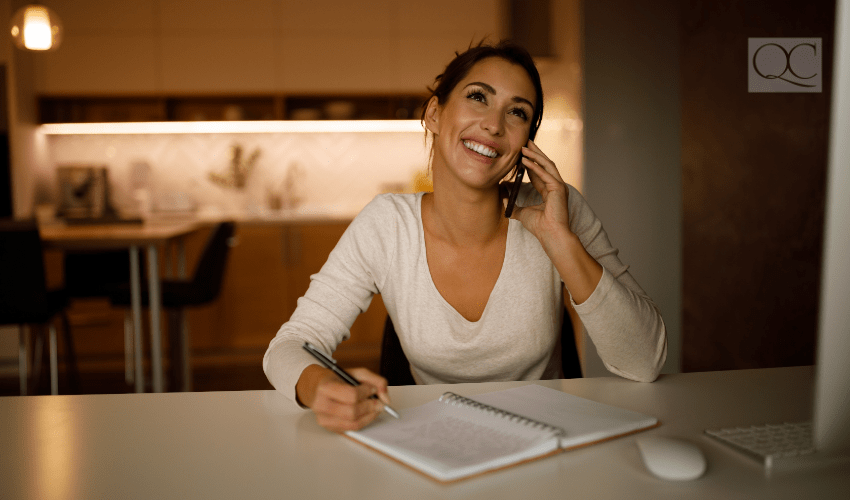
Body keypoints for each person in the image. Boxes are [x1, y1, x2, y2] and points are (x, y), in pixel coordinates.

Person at [263, 40, 667, 433]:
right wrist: (320, 387)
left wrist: (561, 242)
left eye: (518, 113)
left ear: (526, 144)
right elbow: (291, 344)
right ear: (435, 114)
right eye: (478, 97)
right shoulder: (386, 226)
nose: (493, 124)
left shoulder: (559, 210)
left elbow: (645, 361)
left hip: (546, 440)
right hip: (435, 442)